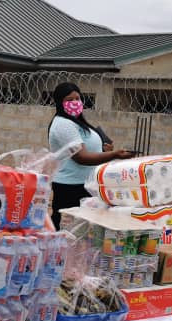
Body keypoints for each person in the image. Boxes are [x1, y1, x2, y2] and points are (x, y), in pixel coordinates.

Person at [48, 82, 133, 227]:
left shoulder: (76, 122)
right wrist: (114, 155)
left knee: (82, 230)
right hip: (71, 187)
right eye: (69, 99)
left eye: (77, 98)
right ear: (59, 102)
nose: (75, 102)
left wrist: (104, 151)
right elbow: (81, 157)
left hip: (85, 185)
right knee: (67, 229)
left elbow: (88, 149)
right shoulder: (63, 124)